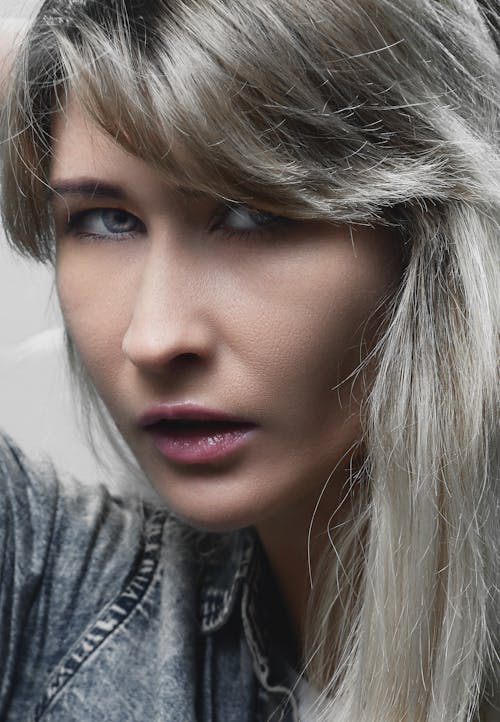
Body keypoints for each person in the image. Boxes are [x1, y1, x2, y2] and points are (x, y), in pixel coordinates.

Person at [0, 0, 498, 720]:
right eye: (108, 219)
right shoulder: (58, 602)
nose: (153, 336)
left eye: (250, 212)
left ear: (434, 242)